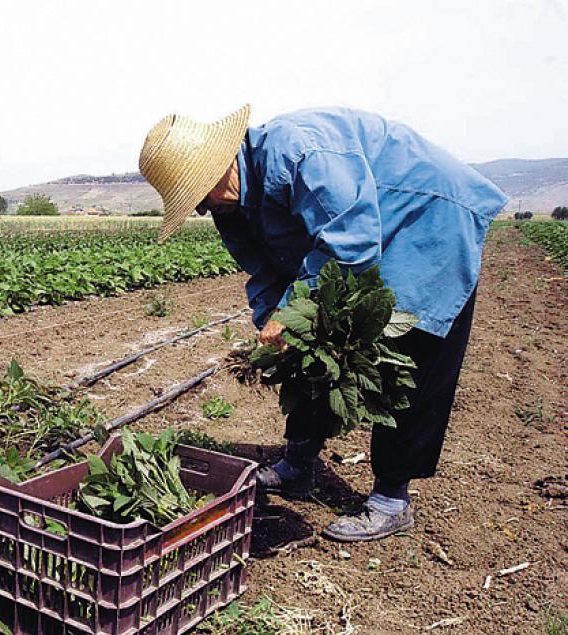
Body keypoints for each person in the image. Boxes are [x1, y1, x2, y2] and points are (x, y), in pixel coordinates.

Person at [137, 106, 507, 542]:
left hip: (428, 216)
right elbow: (266, 273)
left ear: (220, 168)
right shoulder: (230, 206)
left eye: (200, 195)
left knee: (409, 350)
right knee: (308, 343)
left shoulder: (297, 153)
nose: (202, 209)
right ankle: (298, 466)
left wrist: (292, 312)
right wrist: (277, 322)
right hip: (367, 229)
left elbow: (352, 244)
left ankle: (392, 497)